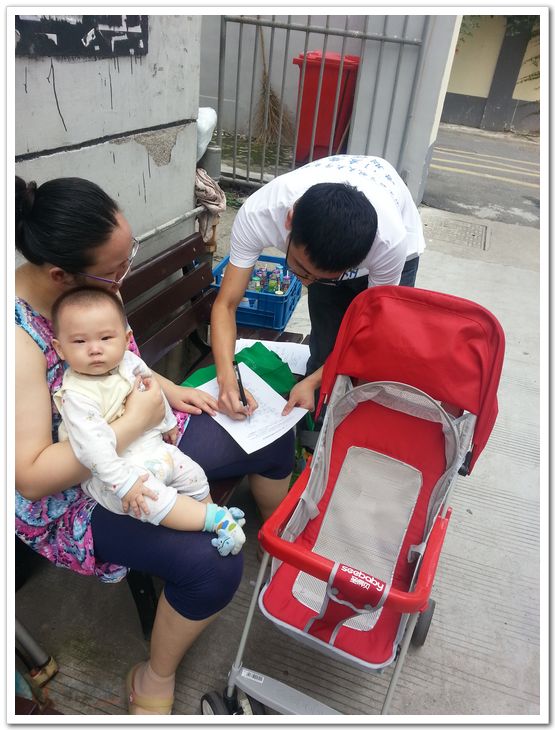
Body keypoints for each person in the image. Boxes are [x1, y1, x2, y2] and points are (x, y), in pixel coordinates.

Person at [15, 175, 295, 715]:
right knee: (214, 568)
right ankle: (153, 675)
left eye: (130, 259)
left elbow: (127, 362)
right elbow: (30, 478)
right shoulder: (18, 340)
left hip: (148, 434)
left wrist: (169, 390)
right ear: (59, 276)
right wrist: (135, 419)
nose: (123, 278)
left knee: (269, 433)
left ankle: (275, 544)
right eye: (117, 269)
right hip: (79, 493)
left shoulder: (91, 289)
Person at [210, 154, 426, 420]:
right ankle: (317, 421)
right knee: (325, 348)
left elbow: (371, 332)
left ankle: (354, 426)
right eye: (301, 268)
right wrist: (227, 378)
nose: (306, 282)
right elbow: (226, 304)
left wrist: (312, 382)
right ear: (289, 220)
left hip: (391, 242)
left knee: (376, 357)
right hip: (329, 244)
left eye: (321, 278)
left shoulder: (389, 244)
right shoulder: (260, 213)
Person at [51, 286, 246, 556]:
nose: (95, 349)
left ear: (126, 338)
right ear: (60, 348)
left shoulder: (130, 362)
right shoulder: (76, 395)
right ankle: (216, 521)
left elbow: (152, 390)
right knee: (152, 501)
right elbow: (93, 450)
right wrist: (124, 484)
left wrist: (168, 423)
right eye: (79, 342)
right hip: (114, 474)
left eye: (106, 338)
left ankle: (212, 514)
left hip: (152, 448)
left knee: (193, 474)